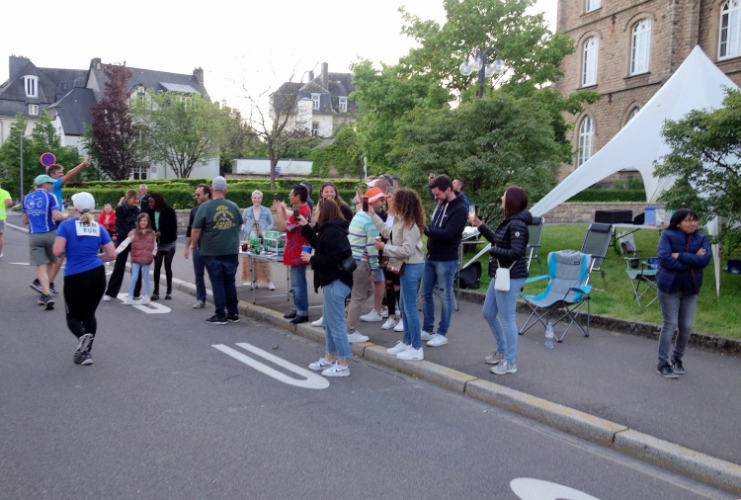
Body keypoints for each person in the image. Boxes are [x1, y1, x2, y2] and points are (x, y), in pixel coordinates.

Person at [472, 186, 531, 376]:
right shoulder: (510, 221)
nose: (501, 197)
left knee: (508, 320)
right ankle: (502, 350)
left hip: (510, 276)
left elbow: (516, 252)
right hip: (501, 274)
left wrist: (493, 251)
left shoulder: (517, 224)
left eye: (504, 196)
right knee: (488, 313)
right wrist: (480, 226)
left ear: (511, 200)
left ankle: (510, 362)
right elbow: (498, 241)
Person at [52, 192, 117, 366]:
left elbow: (57, 251)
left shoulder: (66, 226)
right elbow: (112, 255)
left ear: (75, 208)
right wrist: (95, 257)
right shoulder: (99, 227)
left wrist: (70, 251)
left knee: (73, 318)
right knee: (89, 315)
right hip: (97, 274)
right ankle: (86, 353)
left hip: (75, 276)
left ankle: (82, 338)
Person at [299, 199, 354, 377]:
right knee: (328, 324)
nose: (315, 211)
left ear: (324, 212)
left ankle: (343, 364)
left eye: (317, 209)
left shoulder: (332, 232)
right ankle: (329, 357)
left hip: (336, 281)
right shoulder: (330, 229)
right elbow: (319, 246)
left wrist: (312, 259)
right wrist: (306, 227)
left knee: (336, 324)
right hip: (334, 281)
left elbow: (331, 259)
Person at [369, 188, 426, 360]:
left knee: (409, 308)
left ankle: (416, 347)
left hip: (410, 266)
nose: (390, 201)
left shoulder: (409, 223)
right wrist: (372, 215)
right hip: (404, 265)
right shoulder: (400, 220)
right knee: (404, 306)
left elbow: (407, 250)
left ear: (402, 203)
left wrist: (384, 248)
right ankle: (407, 342)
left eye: (393, 199)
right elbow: (388, 233)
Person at [655, 209, 712, 378]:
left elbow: (704, 260)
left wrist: (679, 255)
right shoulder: (667, 235)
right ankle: (663, 363)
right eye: (688, 220)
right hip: (670, 287)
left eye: (694, 220)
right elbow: (665, 259)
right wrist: (692, 259)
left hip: (691, 287)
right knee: (670, 325)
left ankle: (677, 359)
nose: (692, 223)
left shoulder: (701, 237)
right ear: (678, 223)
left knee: (686, 327)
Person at [420, 174, 468, 348]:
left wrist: (426, 230)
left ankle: (442, 333)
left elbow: (448, 234)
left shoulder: (460, 208)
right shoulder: (442, 203)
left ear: (448, 190)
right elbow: (435, 225)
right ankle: (428, 329)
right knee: (425, 293)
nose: (436, 198)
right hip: (431, 256)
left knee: (445, 296)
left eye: (437, 194)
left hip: (446, 259)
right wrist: (428, 228)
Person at [190, 176, 243, 325]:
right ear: (225, 190)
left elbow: (196, 229)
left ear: (212, 189)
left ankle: (220, 315)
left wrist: (194, 244)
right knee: (230, 282)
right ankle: (233, 313)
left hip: (212, 250)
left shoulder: (205, 207)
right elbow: (240, 226)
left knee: (217, 282)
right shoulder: (233, 206)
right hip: (231, 250)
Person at [310, 181, 354, 327]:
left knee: (335, 287)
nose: (329, 194)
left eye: (331, 191)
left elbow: (347, 228)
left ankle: (334, 317)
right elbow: (318, 228)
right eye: (326, 191)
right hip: (326, 251)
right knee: (327, 285)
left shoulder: (343, 209)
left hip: (337, 252)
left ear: (336, 192)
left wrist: (312, 258)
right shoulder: (322, 208)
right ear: (321, 193)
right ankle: (327, 317)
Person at [46, 157, 92, 291]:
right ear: (52, 174)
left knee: (55, 254)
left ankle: (45, 281)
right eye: (60, 172)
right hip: (57, 221)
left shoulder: (48, 186)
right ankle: (46, 282)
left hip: (51, 221)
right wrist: (82, 164)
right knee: (60, 253)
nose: (62, 175)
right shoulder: (55, 183)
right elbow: (70, 175)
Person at [344, 187, 383, 343]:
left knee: (366, 292)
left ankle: (346, 318)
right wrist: (374, 267)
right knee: (358, 297)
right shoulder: (370, 219)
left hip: (354, 260)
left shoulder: (360, 214)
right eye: (381, 200)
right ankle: (350, 331)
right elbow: (372, 247)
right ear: (373, 202)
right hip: (362, 262)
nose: (383, 203)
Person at [22, 175, 67, 308]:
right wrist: (66, 216)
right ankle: (46, 293)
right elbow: (57, 216)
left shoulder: (26, 198)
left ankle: (45, 294)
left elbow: (24, 221)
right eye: (50, 183)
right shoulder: (50, 197)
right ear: (44, 184)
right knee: (52, 262)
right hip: (50, 233)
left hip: (35, 235)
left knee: (41, 266)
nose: (52, 186)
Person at [272, 184, 312, 324]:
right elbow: (288, 222)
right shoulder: (301, 209)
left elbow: (283, 227)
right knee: (296, 284)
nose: (289, 197)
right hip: (297, 250)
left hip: (298, 251)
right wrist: (283, 210)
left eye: (291, 195)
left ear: (297, 197)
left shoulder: (301, 211)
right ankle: (297, 308)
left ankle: (302, 311)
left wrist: (279, 210)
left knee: (298, 284)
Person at [104, 190, 142, 301]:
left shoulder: (137, 210)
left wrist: (136, 231)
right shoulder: (120, 209)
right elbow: (120, 223)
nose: (137, 201)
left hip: (134, 239)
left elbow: (138, 223)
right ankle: (111, 293)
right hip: (123, 239)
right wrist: (128, 232)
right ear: (129, 198)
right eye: (135, 198)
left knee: (136, 265)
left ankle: (136, 292)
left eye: (138, 199)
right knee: (119, 265)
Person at [240, 190, 275, 291]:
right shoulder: (247, 211)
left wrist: (265, 230)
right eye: (255, 198)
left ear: (261, 199)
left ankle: (269, 281)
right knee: (250, 260)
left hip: (261, 237)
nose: (256, 200)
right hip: (249, 237)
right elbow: (241, 223)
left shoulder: (266, 211)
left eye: (258, 198)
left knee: (264, 260)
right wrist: (246, 229)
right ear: (252, 199)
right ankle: (254, 280)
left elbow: (271, 223)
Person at [146, 193, 178, 300]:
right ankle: (156, 291)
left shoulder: (169, 211)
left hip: (169, 241)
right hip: (157, 243)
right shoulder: (149, 212)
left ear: (157, 201)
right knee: (157, 266)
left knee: (167, 266)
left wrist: (162, 233)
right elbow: (146, 224)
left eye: (151, 202)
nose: (149, 204)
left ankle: (169, 291)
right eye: (149, 202)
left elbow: (173, 227)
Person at [185, 184, 212, 308]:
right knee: (199, 275)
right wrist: (187, 247)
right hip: (198, 247)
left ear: (207, 194)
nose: (196, 197)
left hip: (211, 248)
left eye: (198, 194)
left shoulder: (214, 208)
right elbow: (190, 230)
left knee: (215, 276)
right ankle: (200, 299)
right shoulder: (194, 210)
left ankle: (220, 300)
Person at [125, 213, 156, 305]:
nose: (143, 222)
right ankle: (130, 296)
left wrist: (152, 255)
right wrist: (116, 252)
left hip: (147, 259)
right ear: (138, 222)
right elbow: (124, 243)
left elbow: (155, 246)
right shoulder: (133, 233)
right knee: (134, 277)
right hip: (136, 258)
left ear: (148, 222)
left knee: (146, 277)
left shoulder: (152, 233)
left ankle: (146, 296)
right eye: (141, 220)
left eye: (145, 220)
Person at [0, 181, 12, 260]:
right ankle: (0, 252)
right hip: (0, 216)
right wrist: (5, 206)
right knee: (0, 235)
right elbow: (9, 202)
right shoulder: (4, 192)